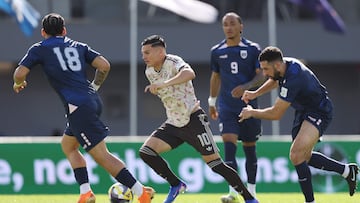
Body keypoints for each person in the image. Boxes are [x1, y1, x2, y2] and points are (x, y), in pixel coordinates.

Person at [13, 13, 154, 203]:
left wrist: (18, 83)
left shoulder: (39, 49)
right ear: (64, 31)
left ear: (43, 32)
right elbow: (104, 66)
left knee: (101, 155)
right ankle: (86, 192)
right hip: (91, 101)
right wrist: (94, 86)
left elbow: (20, 72)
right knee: (68, 146)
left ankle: (140, 192)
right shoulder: (77, 45)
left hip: (77, 107)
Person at [139, 34, 259, 203]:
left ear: (160, 52)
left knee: (216, 165)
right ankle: (176, 184)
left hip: (193, 119)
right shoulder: (149, 71)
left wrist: (163, 84)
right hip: (174, 123)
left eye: (147, 52)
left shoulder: (173, 62)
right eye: (142, 53)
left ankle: (249, 199)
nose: (143, 56)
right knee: (146, 152)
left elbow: (190, 73)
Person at [239, 46, 359, 203]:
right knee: (302, 156)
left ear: (276, 65)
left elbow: (276, 114)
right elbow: (275, 81)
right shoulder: (283, 66)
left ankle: (310, 201)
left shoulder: (294, 77)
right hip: (303, 112)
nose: (264, 73)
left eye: (266, 69)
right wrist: (255, 93)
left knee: (296, 154)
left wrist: (252, 112)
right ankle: (347, 171)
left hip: (319, 111)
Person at [208, 12, 264, 203]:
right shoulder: (217, 51)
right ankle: (233, 193)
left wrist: (245, 87)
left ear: (241, 26)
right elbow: (215, 77)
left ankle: (252, 192)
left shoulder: (253, 49)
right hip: (227, 107)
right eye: (225, 24)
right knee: (229, 147)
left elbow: (261, 76)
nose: (229, 27)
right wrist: (211, 103)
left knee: (250, 149)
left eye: (232, 24)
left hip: (249, 107)